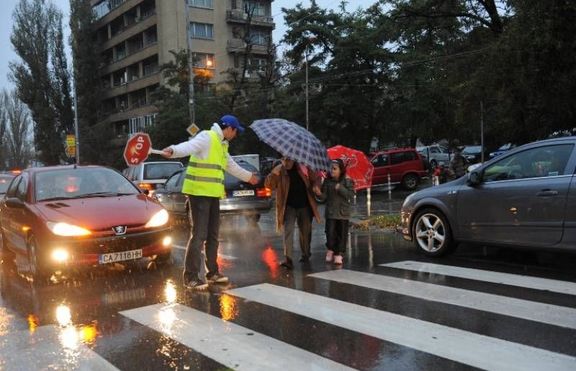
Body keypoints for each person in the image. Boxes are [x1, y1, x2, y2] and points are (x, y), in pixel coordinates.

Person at [161, 114, 259, 290]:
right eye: (236, 131)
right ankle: (190, 277)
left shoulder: (222, 145)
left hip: (213, 195)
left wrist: (249, 177)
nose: (236, 135)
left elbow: (231, 165)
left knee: (213, 235)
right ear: (229, 128)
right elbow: (189, 146)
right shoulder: (207, 137)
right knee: (199, 235)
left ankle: (212, 273)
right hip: (198, 194)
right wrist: (174, 150)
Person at [265, 157, 322, 269]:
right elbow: (269, 185)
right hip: (289, 206)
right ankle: (288, 259)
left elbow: (316, 178)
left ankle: (306, 254)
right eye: (283, 160)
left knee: (305, 231)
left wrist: (316, 186)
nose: (286, 162)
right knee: (288, 231)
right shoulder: (279, 170)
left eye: (288, 160)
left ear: (293, 159)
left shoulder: (304, 167)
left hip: (305, 205)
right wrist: (273, 174)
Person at [313, 159, 354, 265]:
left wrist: (340, 188)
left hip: (342, 213)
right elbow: (324, 197)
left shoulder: (347, 180)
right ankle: (330, 249)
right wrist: (318, 193)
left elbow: (350, 195)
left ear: (341, 170)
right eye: (331, 168)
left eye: (335, 169)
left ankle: (338, 254)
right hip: (331, 212)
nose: (332, 171)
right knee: (330, 233)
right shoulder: (327, 181)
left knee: (341, 234)